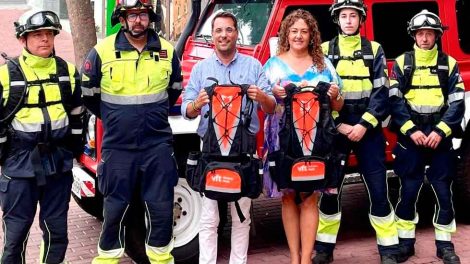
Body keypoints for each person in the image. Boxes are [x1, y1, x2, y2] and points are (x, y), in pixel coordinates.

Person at [80, 0, 183, 263]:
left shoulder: (167, 51)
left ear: (151, 18)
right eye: (132, 15)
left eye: (143, 14)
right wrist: (117, 118)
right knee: (114, 209)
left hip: (157, 146)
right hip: (118, 147)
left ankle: (161, 260)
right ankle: (107, 259)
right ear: (122, 19)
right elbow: (90, 96)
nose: (138, 20)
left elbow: (173, 91)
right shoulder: (101, 51)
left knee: (161, 209)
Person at [182, 11, 276, 264]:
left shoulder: (253, 66)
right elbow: (187, 110)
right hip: (210, 151)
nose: (224, 35)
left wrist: (264, 98)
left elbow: (272, 107)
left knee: (241, 215)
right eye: (218, 30)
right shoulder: (201, 68)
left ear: (236, 33)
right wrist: (195, 105)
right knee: (208, 217)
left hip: (244, 152)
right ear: (212, 35)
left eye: (229, 30)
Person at [313, 1, 401, 264]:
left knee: (378, 189)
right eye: (344, 16)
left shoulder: (374, 50)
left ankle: (388, 250)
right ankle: (324, 250)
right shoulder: (325, 50)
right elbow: (319, 93)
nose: (349, 20)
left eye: (353, 16)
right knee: (330, 190)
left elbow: (381, 91)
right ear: (337, 20)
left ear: (361, 20)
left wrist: (364, 124)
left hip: (368, 128)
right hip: (336, 128)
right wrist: (338, 124)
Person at [0, 9, 83, 263]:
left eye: (49, 34)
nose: (44, 39)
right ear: (23, 39)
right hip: (19, 164)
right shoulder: (6, 75)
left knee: (57, 233)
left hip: (58, 163)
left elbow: (78, 114)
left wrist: (74, 151)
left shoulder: (67, 72)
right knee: (15, 236)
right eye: (37, 34)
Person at [263, 9, 343, 264]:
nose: (298, 36)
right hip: (282, 137)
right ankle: (294, 258)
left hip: (316, 138)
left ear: (312, 36)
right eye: (294, 30)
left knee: (311, 194)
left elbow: (339, 105)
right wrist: (272, 95)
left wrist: (334, 96)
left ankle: (306, 259)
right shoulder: (272, 65)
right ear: (286, 33)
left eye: (304, 31)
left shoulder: (324, 64)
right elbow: (264, 107)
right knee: (287, 194)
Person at [389, 9, 464, 264]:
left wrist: (441, 131)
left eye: (429, 34)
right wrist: (412, 130)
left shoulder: (449, 64)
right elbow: (395, 102)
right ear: (413, 35)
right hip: (412, 137)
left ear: (436, 36)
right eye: (420, 33)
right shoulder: (402, 63)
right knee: (408, 190)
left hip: (439, 136)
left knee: (444, 191)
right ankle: (405, 244)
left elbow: (457, 104)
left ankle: (445, 246)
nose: (424, 38)